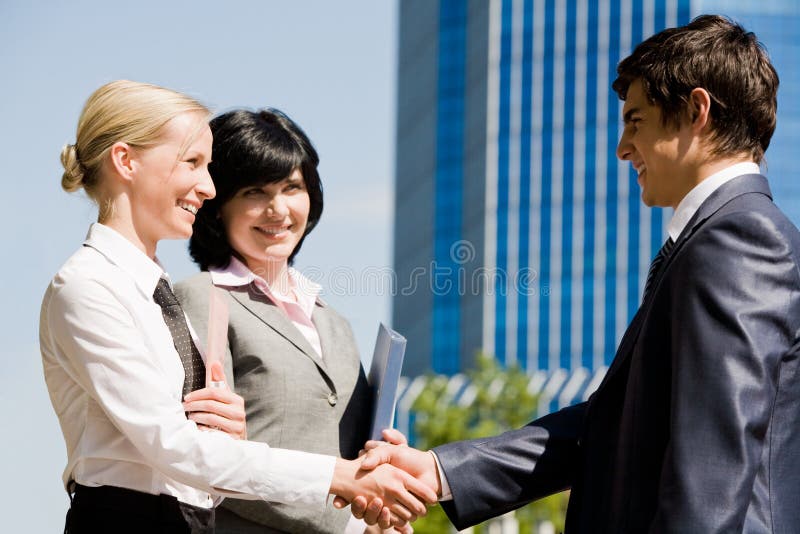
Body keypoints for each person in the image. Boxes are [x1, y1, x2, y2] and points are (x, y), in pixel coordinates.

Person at [355, 14, 800, 533]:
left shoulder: (738, 239)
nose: (622, 147)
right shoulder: (716, 240)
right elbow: (604, 428)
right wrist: (440, 472)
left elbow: (713, 468)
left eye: (635, 121)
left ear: (697, 110)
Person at [40, 80, 436, 533]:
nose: (208, 187)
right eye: (192, 163)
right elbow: (172, 446)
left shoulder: (152, 288)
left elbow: (198, 455)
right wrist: (344, 478)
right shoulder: (89, 286)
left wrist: (233, 436)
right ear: (126, 161)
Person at [174, 108, 393, 533]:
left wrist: (381, 478)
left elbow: (349, 454)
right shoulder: (204, 299)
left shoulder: (334, 323)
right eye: (255, 192)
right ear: (217, 206)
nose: (277, 209)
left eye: (292, 187)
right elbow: (206, 457)